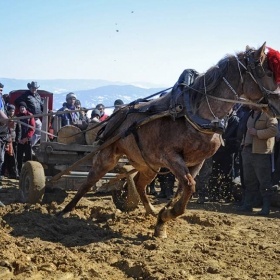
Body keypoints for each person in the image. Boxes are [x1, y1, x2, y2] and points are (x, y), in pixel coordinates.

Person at [238, 105, 278, 215]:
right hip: (247, 150)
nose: (250, 104)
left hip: (261, 152)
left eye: (253, 101)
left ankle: (266, 208)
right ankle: (248, 205)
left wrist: (257, 133)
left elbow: (274, 130)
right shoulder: (249, 114)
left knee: (264, 181)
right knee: (249, 181)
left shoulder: (269, 115)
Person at [207, 110, 240, 202]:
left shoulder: (235, 121)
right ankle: (213, 194)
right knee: (214, 173)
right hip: (216, 151)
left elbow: (238, 137)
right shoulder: (217, 120)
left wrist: (226, 141)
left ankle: (226, 195)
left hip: (228, 151)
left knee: (227, 174)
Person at [14, 81, 43, 147]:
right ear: (30, 88)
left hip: (37, 118)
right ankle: (26, 146)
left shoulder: (38, 96)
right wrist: (23, 108)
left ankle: (29, 145)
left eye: (35, 88)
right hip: (28, 117)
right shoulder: (26, 95)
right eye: (32, 88)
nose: (34, 89)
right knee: (28, 132)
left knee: (39, 132)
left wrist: (47, 110)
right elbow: (16, 101)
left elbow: (41, 104)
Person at [2, 104, 20, 179]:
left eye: (13, 111)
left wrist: (17, 139)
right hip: (5, 140)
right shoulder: (4, 119)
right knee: (4, 158)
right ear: (8, 111)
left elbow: (18, 130)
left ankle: (14, 173)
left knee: (13, 158)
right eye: (10, 111)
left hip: (13, 140)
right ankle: (3, 173)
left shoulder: (16, 119)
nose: (12, 112)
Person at [16, 102, 35, 175]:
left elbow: (32, 128)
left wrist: (26, 138)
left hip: (27, 140)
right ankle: (19, 172)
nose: (22, 109)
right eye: (20, 108)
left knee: (28, 157)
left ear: (25, 108)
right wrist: (18, 139)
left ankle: (28, 173)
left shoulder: (30, 116)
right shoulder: (17, 116)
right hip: (19, 140)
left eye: (23, 107)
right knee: (18, 157)